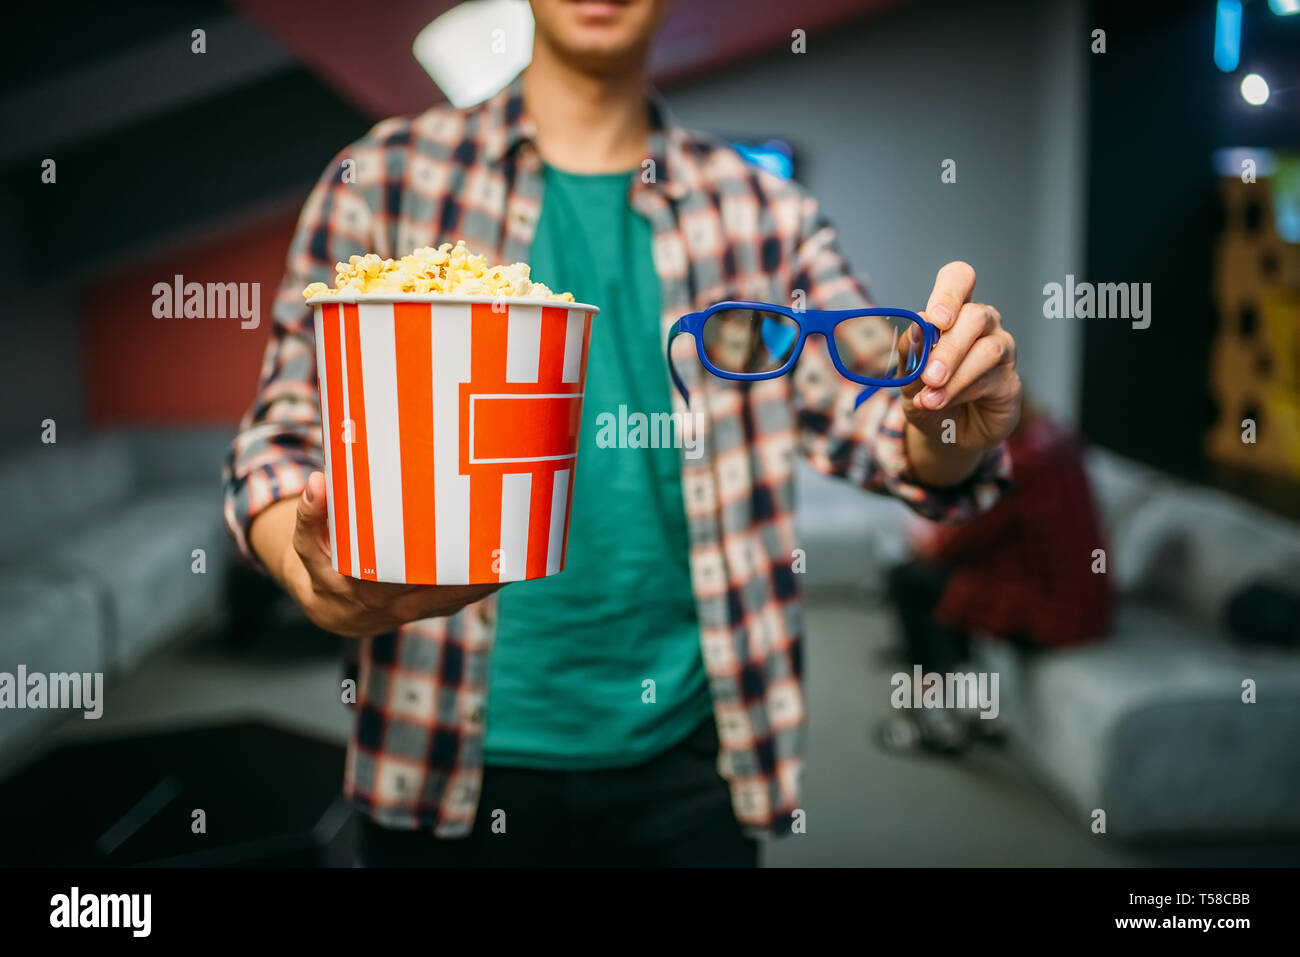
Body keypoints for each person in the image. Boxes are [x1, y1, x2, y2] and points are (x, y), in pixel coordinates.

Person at [223, 0, 1020, 866]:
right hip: (436, 743)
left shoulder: (761, 209)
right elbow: (280, 436)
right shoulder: (383, 177)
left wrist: (948, 416)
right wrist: (308, 571)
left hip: (691, 755)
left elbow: (881, 416)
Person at [880, 398, 1111, 754]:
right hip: (1085, 605)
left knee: (910, 581)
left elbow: (950, 541)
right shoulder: (1056, 441)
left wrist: (921, 533)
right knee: (949, 582)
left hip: (1054, 615)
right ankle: (973, 704)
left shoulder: (1019, 465)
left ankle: (937, 717)